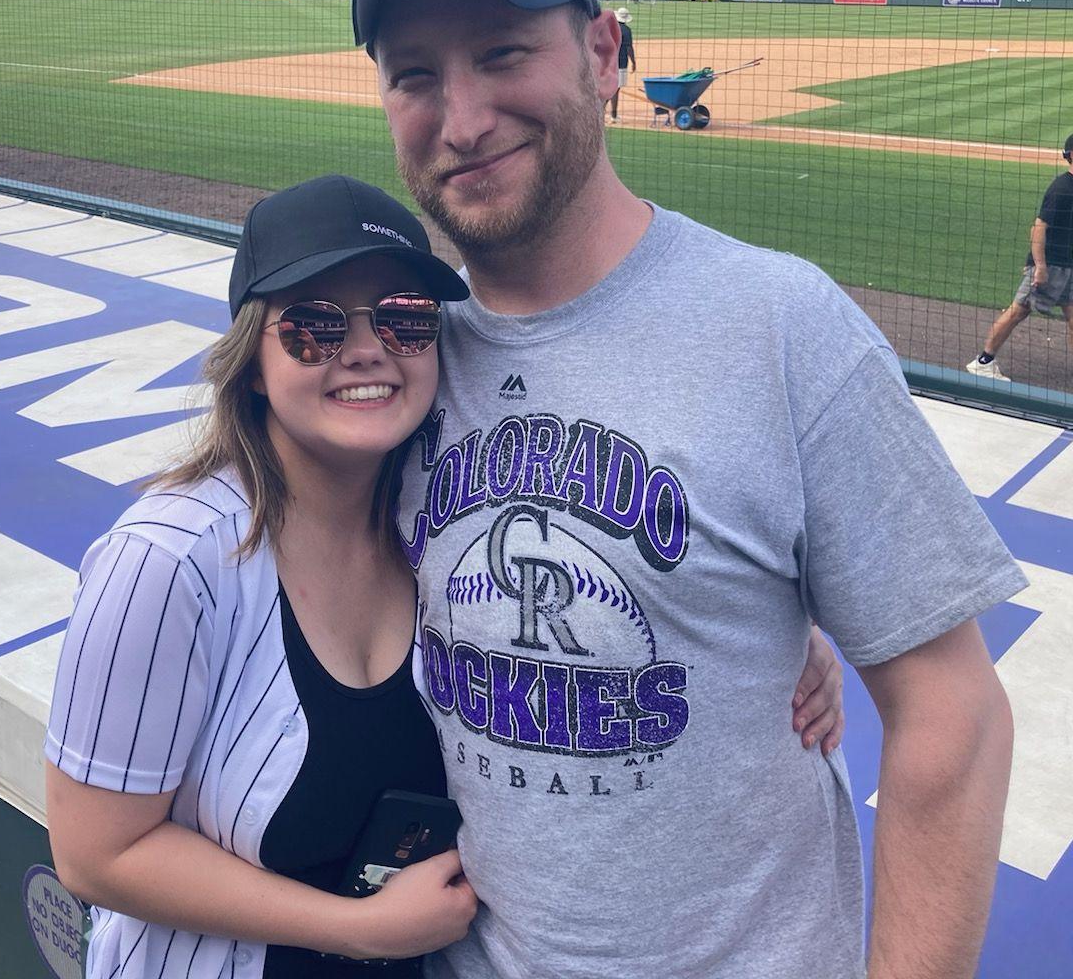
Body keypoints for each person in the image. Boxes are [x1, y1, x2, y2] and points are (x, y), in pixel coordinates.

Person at [345, 0, 1021, 978]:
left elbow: (953, 710)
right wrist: (747, 619)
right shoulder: (399, 359)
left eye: (504, 53)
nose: (461, 121)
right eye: (416, 74)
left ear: (603, 54)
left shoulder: (782, 324)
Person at [44, 174, 843, 979]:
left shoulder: (432, 517)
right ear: (252, 361)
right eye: (315, 326)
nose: (366, 349)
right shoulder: (167, 559)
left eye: (404, 318)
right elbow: (95, 854)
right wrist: (354, 929)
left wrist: (765, 633)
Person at [967, 132, 1073, 381]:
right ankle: (983, 361)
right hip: (1050, 265)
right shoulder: (1061, 189)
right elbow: (1038, 228)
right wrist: (1039, 266)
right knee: (1019, 311)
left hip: (1068, 266)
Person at [608, 6, 636, 123]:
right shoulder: (626, 30)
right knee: (615, 89)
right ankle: (613, 115)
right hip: (621, 62)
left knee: (608, 87)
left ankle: (601, 112)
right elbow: (629, 48)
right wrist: (633, 62)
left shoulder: (610, 28)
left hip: (609, 61)